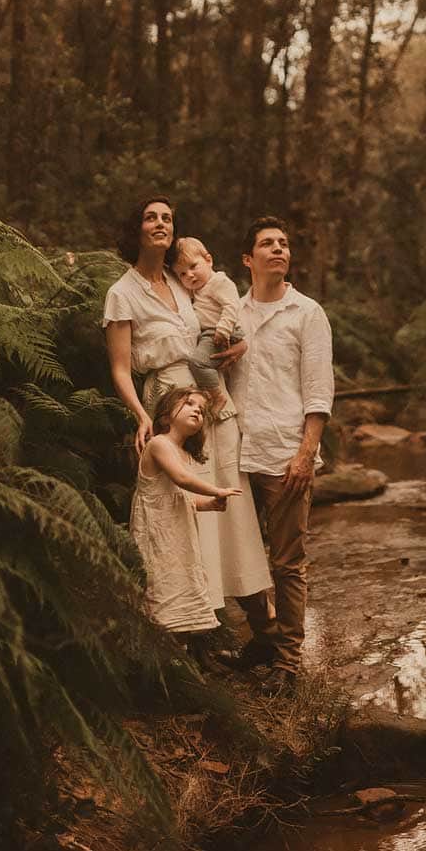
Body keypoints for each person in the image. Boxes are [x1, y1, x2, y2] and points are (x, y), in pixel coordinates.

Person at [103, 196, 272, 620]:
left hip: (208, 400)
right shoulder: (122, 293)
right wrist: (143, 417)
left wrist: (240, 344)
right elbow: (121, 370)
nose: (160, 223)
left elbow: (224, 324)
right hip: (167, 401)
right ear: (136, 229)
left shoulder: (184, 282)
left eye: (167, 218)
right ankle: (197, 617)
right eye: (150, 217)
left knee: (227, 500)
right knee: (185, 503)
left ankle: (252, 609)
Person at [226, 215, 334, 689]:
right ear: (248, 259)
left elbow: (318, 388)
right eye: (267, 243)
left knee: (286, 561)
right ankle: (264, 635)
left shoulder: (307, 313)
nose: (278, 249)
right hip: (233, 452)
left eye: (284, 244)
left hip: (284, 453)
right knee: (239, 556)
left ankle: (288, 661)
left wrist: (306, 452)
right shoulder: (231, 313)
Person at [130, 387, 240, 646]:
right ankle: (163, 660)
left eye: (201, 410)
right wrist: (216, 489)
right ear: (166, 417)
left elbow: (182, 498)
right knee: (160, 587)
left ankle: (180, 653)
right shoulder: (158, 444)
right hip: (156, 534)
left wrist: (211, 503)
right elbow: (181, 480)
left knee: (178, 590)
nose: (196, 410)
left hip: (177, 538)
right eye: (189, 403)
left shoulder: (183, 454)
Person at [172, 236, 246, 418]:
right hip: (210, 332)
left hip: (220, 332)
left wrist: (223, 329)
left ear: (209, 260)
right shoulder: (197, 290)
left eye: (193, 266)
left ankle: (217, 396)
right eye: (182, 274)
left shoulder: (218, 282)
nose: (189, 275)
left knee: (197, 362)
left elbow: (232, 305)